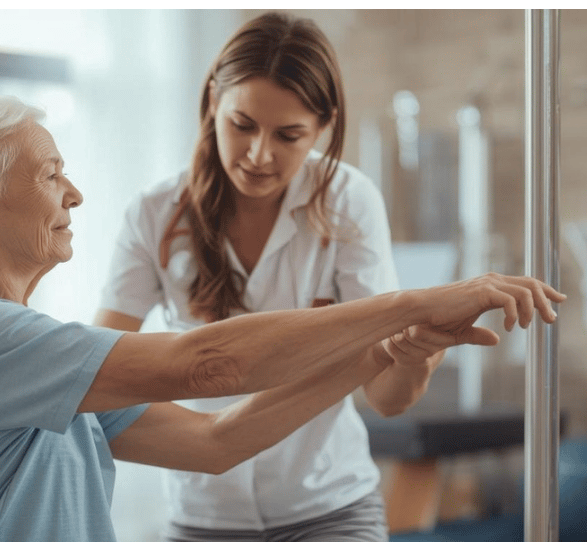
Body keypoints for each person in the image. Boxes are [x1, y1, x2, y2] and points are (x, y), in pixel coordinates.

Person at [0, 92, 564, 542]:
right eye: (48, 174)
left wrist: (384, 348)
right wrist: (414, 301)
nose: (75, 192)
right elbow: (211, 365)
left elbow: (215, 444)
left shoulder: (39, 358)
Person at [94, 11, 457, 541]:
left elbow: (387, 397)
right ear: (213, 101)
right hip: (202, 514)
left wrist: (419, 352)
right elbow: (106, 372)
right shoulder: (154, 213)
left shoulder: (348, 202)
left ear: (324, 127)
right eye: (242, 125)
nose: (259, 155)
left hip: (330, 506)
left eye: (289, 135)